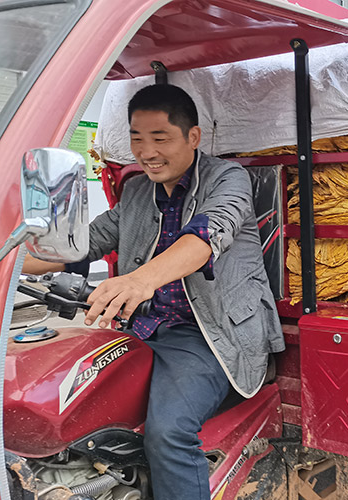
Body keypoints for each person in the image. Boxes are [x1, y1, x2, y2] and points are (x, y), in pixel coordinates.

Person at [23, 84, 284, 500]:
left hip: (211, 336)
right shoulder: (138, 191)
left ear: (192, 138)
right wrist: (4, 260)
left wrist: (139, 279)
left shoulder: (226, 179)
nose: (146, 152)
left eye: (160, 138)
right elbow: (83, 245)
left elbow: (205, 237)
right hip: (139, 328)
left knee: (169, 432)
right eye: (136, 138)